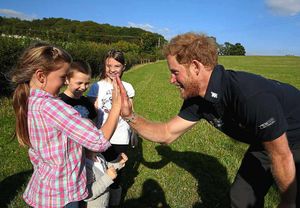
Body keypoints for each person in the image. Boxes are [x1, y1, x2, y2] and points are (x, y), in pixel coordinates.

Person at [117, 32, 300, 208]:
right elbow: (166, 133)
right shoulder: (197, 99)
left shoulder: (249, 96)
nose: (171, 80)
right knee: (241, 199)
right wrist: (128, 116)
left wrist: (287, 202)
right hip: (264, 140)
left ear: (195, 67)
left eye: (175, 72)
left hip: (294, 136)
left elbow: (281, 155)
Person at [11, 43, 121, 208]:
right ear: (41, 76)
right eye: (62, 77)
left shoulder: (31, 101)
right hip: (62, 195)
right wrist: (117, 105)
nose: (63, 83)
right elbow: (99, 141)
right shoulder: (53, 106)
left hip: (45, 187)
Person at [87, 49, 135, 206]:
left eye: (117, 65)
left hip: (120, 137)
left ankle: (114, 203)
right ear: (104, 65)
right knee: (99, 172)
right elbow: (92, 115)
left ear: (124, 67)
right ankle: (101, 201)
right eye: (108, 65)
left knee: (117, 173)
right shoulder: (96, 87)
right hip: (101, 136)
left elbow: (129, 113)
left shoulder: (128, 87)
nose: (112, 69)